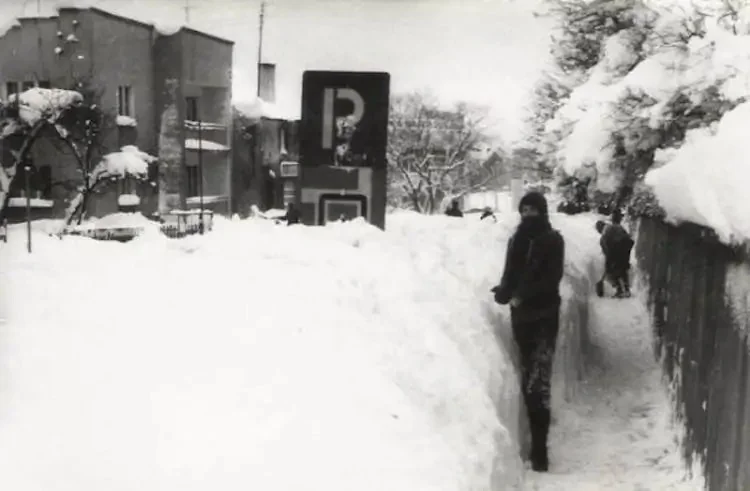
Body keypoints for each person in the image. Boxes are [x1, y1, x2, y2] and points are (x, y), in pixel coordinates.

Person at [490, 191, 565, 472]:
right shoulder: (517, 239)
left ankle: (540, 450)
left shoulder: (553, 240)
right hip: (521, 318)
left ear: (542, 212)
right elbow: (510, 272)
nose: (528, 215)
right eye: (525, 210)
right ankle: (534, 440)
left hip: (545, 316)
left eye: (533, 210)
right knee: (527, 379)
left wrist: (521, 294)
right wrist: (504, 292)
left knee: (539, 383)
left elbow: (551, 278)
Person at [595, 209, 634, 298]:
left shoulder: (605, 235)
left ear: (600, 229)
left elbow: (607, 252)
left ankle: (620, 290)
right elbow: (628, 240)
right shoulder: (616, 227)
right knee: (623, 270)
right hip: (625, 249)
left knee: (612, 271)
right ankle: (627, 290)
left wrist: (608, 265)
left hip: (618, 250)